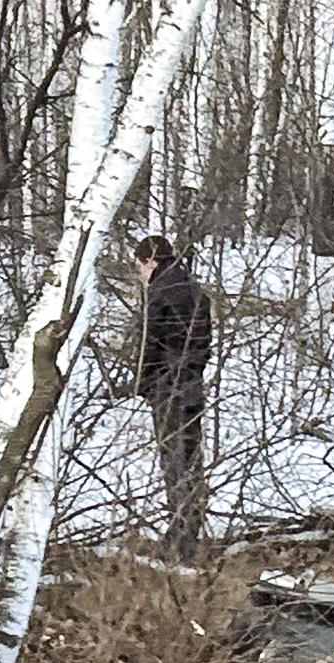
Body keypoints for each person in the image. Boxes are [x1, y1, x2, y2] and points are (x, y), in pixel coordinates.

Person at [134, 235, 212, 559]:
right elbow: (205, 344)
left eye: (138, 265)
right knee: (192, 460)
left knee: (174, 462)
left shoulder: (158, 294)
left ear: (151, 262)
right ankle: (189, 530)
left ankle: (180, 540)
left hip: (167, 388)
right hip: (193, 384)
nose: (138, 273)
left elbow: (147, 346)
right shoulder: (197, 293)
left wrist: (142, 383)